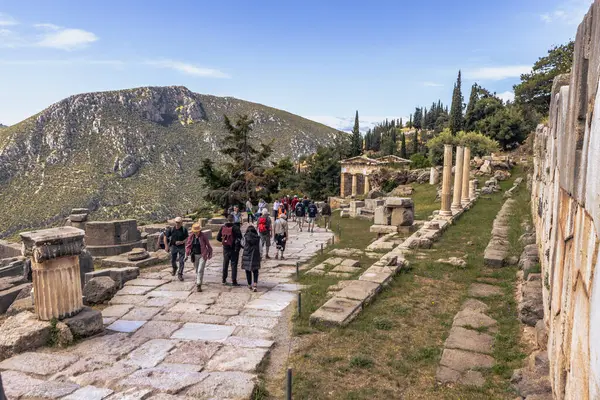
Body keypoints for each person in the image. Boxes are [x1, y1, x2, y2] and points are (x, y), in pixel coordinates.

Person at [185, 223, 213, 292]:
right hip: (194, 255)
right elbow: (188, 246)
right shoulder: (191, 236)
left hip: (202, 255)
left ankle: (198, 284)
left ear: (199, 231)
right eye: (195, 232)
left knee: (200, 269)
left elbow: (208, 245)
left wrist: (210, 253)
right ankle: (199, 280)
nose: (196, 233)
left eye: (197, 231)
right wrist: (187, 254)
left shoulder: (203, 236)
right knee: (197, 270)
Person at [217, 214, 243, 286]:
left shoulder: (223, 227)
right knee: (234, 265)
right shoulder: (236, 227)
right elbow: (240, 238)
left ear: (227, 219)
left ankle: (223, 280)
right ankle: (234, 281)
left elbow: (218, 238)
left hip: (225, 248)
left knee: (225, 264)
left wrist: (224, 241)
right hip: (234, 249)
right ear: (233, 219)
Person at [164, 217, 189, 281]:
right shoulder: (171, 229)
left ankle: (180, 274)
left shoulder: (184, 229)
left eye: (179, 222)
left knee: (181, 261)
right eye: (176, 222)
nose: (177, 224)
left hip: (181, 247)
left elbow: (187, 238)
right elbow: (165, 236)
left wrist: (182, 242)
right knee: (173, 260)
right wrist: (166, 246)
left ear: (181, 223)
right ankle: (175, 268)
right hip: (173, 246)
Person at [241, 225, 261, 292]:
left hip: (247, 254)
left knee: (247, 270)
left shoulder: (245, 237)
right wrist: (260, 254)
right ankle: (255, 285)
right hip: (255, 254)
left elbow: (243, 244)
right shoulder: (258, 237)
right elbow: (260, 247)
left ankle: (249, 284)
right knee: (255, 270)